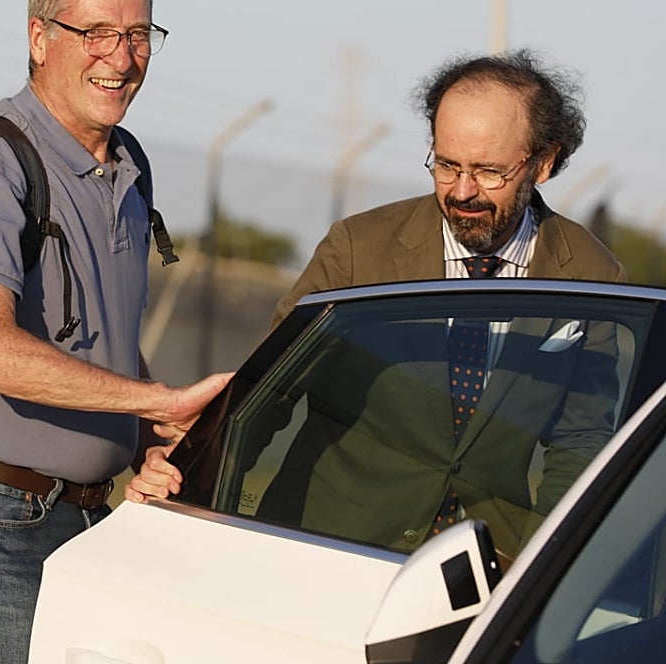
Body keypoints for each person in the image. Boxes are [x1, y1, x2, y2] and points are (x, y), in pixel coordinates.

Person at [127, 49, 624, 560]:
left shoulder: (588, 274)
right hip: (330, 546)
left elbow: (582, 438)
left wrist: (548, 562)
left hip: (482, 570)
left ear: (542, 163)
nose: (463, 191)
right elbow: (269, 391)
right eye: (447, 165)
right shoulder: (358, 251)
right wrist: (183, 477)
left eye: (490, 171)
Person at [0, 0, 232, 664]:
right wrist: (153, 400)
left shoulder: (128, 166)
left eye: (139, 35)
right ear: (39, 37)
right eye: (96, 33)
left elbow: (105, 345)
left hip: (88, 517)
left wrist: (153, 436)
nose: (121, 56)